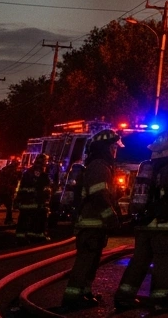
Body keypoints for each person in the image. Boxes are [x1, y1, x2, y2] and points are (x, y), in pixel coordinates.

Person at [115, 132, 168, 312]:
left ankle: (124, 297)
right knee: (163, 263)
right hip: (163, 227)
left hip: (143, 224)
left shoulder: (145, 167)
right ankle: (160, 300)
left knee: (139, 261)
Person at [61, 130, 124, 311]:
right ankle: (72, 298)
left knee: (92, 261)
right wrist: (110, 217)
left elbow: (106, 194)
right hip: (91, 223)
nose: (115, 150)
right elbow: (98, 195)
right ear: (104, 148)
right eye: (113, 146)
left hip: (97, 224)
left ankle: (84, 293)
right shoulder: (99, 166)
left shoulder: (102, 166)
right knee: (85, 262)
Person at [15, 154, 53, 242]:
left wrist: (18, 199)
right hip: (36, 202)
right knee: (38, 219)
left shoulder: (28, 172)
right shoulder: (42, 174)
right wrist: (46, 197)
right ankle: (37, 236)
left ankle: (20, 236)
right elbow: (44, 189)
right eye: (45, 162)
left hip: (25, 202)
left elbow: (21, 187)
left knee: (23, 219)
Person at [0, 160, 21, 225]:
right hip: (7, 192)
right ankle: (8, 220)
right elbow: (15, 182)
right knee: (9, 207)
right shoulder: (14, 172)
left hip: (0, 191)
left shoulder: (3, 170)